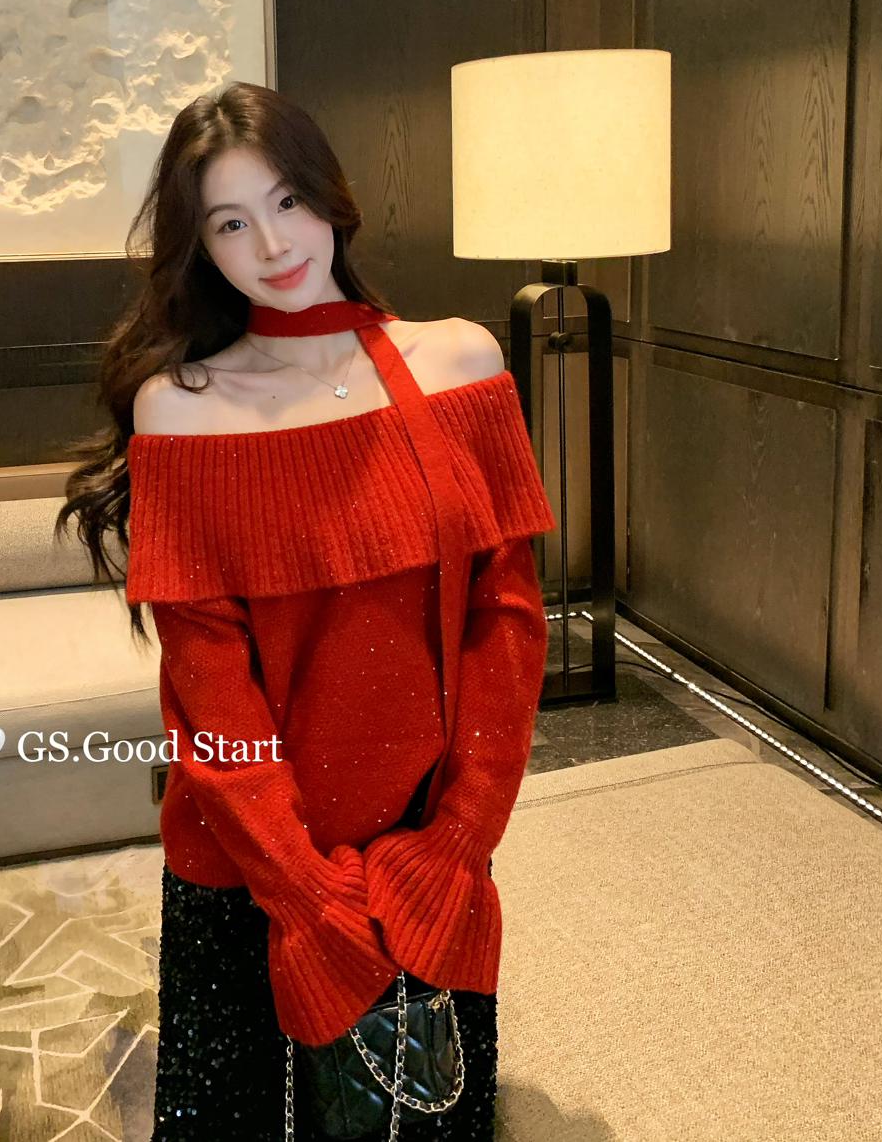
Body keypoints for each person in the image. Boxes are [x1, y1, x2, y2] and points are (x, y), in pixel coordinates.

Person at [56, 82, 556, 1141]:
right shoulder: (181, 408)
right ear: (201, 248)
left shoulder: (462, 360)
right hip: (253, 862)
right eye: (230, 223)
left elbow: (506, 619)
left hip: (422, 837)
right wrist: (304, 891)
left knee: (423, 1113)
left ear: (331, 197)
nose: (273, 244)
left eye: (286, 202)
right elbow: (208, 680)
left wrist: (459, 838)